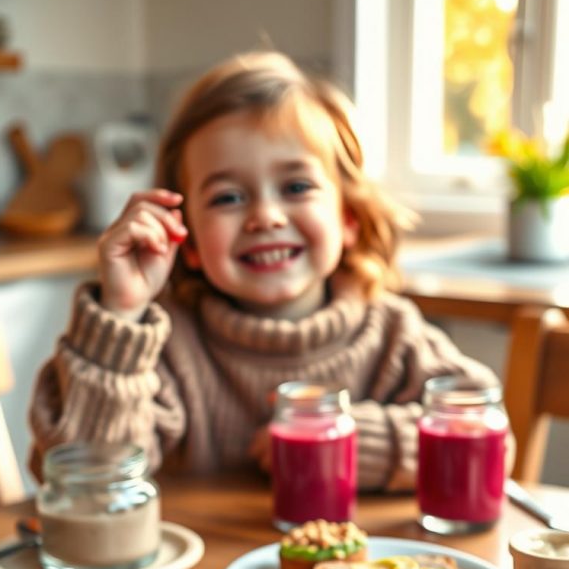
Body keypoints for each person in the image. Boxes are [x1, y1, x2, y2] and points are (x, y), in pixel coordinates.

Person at [29, 50, 497, 491]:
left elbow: (489, 440)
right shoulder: (163, 349)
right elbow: (82, 481)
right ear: (184, 236)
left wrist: (346, 440)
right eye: (228, 198)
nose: (266, 217)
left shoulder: (394, 335)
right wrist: (122, 316)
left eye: (296, 186)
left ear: (348, 217)